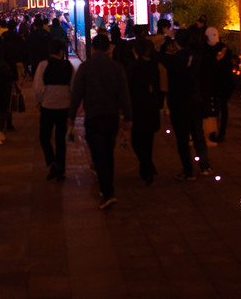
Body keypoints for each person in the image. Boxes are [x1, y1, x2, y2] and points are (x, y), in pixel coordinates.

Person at [69, 34, 132, 209]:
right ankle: (107, 188)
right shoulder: (116, 68)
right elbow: (124, 94)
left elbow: (77, 93)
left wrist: (71, 116)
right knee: (108, 152)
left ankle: (107, 191)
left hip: (94, 116)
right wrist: (128, 117)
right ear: (108, 49)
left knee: (98, 154)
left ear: (93, 48)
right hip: (111, 116)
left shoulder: (86, 67)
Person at [159, 28, 211, 180]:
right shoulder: (197, 56)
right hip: (194, 99)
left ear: (177, 42)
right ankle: (205, 166)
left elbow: (161, 56)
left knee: (182, 138)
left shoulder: (173, 59)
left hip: (178, 102)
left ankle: (188, 171)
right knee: (198, 134)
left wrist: (168, 40)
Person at [33, 39, 75, 181]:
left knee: (44, 137)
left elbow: (38, 87)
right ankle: (60, 167)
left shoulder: (43, 65)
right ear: (61, 51)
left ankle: (52, 162)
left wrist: (39, 101)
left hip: (48, 106)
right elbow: (74, 86)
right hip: (64, 106)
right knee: (60, 139)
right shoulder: (68, 66)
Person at [127, 39, 162, 186]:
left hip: (138, 107)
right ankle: (147, 168)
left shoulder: (134, 66)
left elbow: (129, 88)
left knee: (136, 141)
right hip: (151, 106)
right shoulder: (154, 66)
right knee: (148, 141)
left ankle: (147, 168)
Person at [203, 27, 235, 143]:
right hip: (211, 83)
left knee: (222, 108)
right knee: (213, 108)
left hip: (221, 84)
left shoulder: (223, 48)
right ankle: (213, 130)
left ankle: (221, 132)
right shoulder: (205, 49)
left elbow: (227, 69)